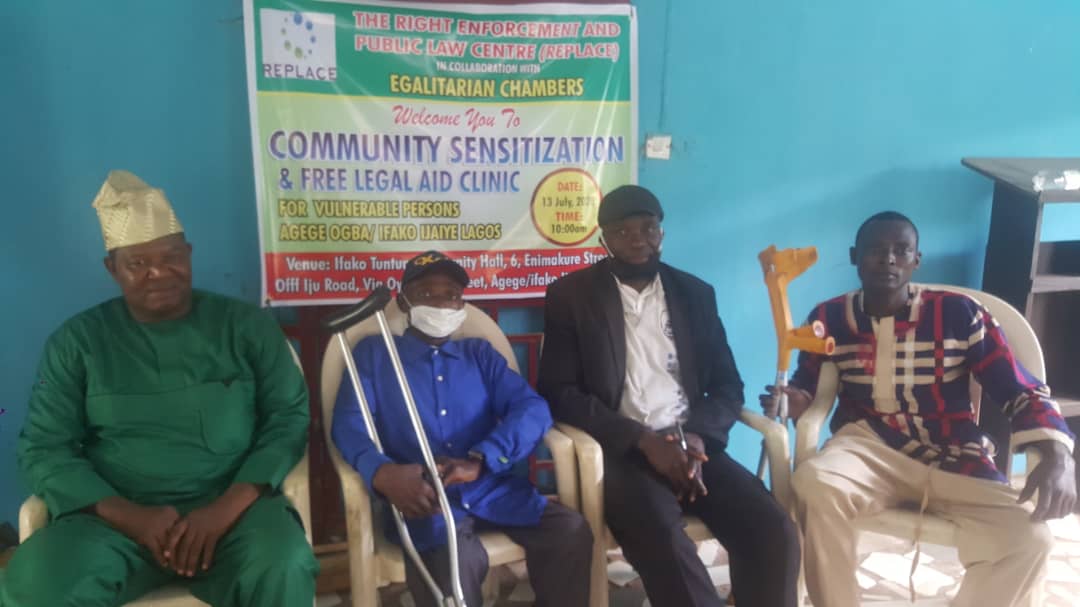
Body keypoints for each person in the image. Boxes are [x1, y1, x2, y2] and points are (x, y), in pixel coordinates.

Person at [1, 170, 318, 607]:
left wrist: (226, 508)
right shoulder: (77, 343)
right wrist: (129, 515)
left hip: (232, 516)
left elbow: (288, 419)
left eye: (172, 257)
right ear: (112, 269)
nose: (158, 273)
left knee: (283, 563)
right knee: (38, 581)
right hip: (112, 525)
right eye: (137, 263)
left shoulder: (245, 328)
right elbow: (43, 447)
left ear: (189, 254)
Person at [762, 210, 1077, 607]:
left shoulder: (960, 313)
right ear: (855, 256)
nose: (888, 259)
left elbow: (1017, 387)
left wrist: (1059, 455)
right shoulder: (828, 318)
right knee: (815, 483)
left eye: (900, 250)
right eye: (876, 250)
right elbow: (808, 389)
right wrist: (790, 400)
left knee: (1030, 540)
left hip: (956, 455)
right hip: (868, 447)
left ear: (916, 260)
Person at [538, 185, 800, 607]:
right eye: (623, 231)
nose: (638, 239)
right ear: (602, 239)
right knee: (661, 535)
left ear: (662, 232)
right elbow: (559, 391)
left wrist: (694, 438)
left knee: (773, 529)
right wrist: (643, 442)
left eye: (648, 228)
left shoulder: (695, 293)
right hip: (623, 452)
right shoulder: (571, 296)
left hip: (694, 447)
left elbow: (728, 385)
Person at [331, 250, 592, 607]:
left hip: (488, 486)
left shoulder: (479, 355)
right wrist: (383, 473)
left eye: (451, 294)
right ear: (404, 301)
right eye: (427, 293)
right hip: (422, 497)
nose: (441, 303)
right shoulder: (374, 355)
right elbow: (349, 425)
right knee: (456, 561)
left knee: (569, 531)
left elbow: (531, 408)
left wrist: (482, 459)